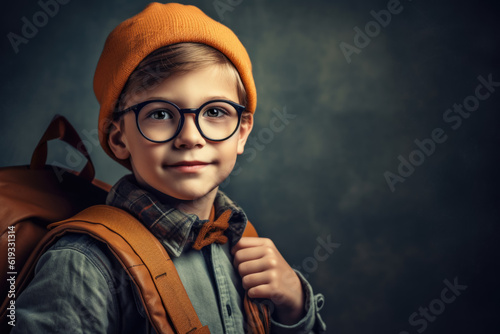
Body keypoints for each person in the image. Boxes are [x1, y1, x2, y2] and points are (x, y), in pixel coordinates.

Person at [12, 3, 326, 333]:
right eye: (160, 114)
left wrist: (294, 311)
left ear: (242, 132)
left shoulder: (242, 244)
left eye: (215, 112)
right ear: (119, 139)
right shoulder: (84, 264)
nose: (190, 138)